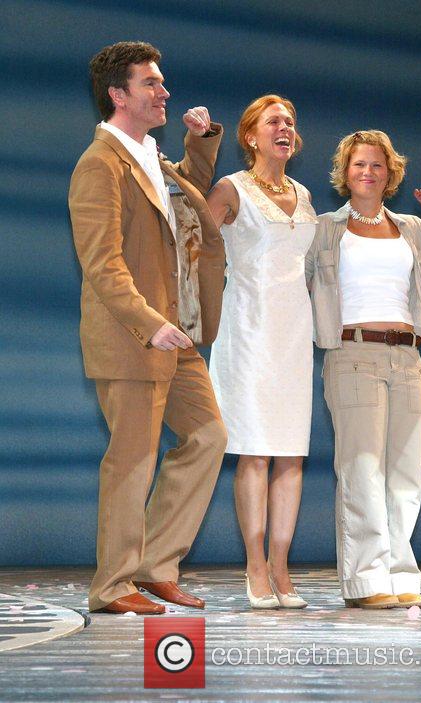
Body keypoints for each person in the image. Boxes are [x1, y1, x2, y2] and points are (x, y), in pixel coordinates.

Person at [68, 41, 227, 614]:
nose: (164, 92)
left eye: (161, 82)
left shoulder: (148, 157)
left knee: (208, 437)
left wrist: (200, 142)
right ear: (118, 95)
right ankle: (112, 586)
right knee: (132, 459)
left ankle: (155, 566)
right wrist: (149, 323)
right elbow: (102, 263)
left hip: (174, 333)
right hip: (135, 337)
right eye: (151, 84)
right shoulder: (99, 164)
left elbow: (183, 195)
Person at [306, 130, 421, 610]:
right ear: (345, 171)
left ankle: (400, 572)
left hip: (408, 357)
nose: (368, 173)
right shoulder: (325, 229)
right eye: (359, 164)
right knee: (361, 467)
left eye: (377, 165)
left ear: (390, 173)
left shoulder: (412, 228)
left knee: (404, 471)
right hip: (353, 354)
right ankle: (365, 579)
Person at [207, 95, 317, 609]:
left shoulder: (304, 192)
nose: (285, 128)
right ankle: (254, 568)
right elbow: (197, 242)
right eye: (274, 121)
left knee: (291, 454)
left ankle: (281, 568)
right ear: (250, 135)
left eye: (290, 122)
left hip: (295, 334)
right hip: (248, 331)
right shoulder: (232, 188)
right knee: (254, 452)